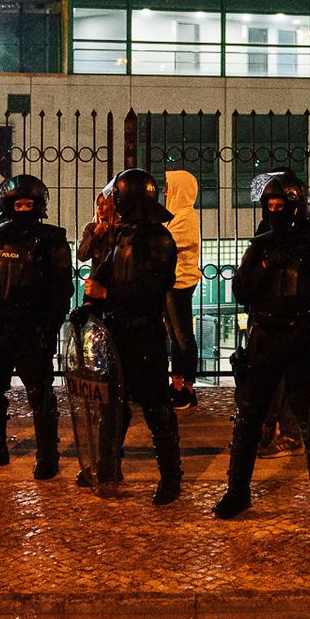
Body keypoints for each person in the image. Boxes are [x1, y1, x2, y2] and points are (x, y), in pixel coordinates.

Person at [213, 171, 310, 525]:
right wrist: (269, 264)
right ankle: (237, 492)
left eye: (279, 204)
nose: (273, 210)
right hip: (263, 339)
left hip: (298, 342)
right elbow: (241, 291)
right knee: (248, 421)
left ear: (295, 205)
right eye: (268, 205)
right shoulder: (261, 244)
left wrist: (304, 337)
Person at [80, 170, 183, 500]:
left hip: (144, 334)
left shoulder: (159, 240)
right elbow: (105, 274)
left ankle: (171, 477)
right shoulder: (122, 234)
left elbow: (151, 291)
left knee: (156, 408)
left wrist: (106, 296)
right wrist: (91, 306)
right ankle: (107, 465)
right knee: (112, 406)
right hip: (116, 331)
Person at [0, 175, 72, 479]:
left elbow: (62, 291)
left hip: (30, 328)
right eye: (18, 204)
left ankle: (48, 455)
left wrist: (49, 329)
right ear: (8, 206)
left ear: (38, 206)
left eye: (28, 204)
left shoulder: (52, 240)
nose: (23, 209)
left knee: (40, 395)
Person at [164, 170, 203, 410]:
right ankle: (178, 384)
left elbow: (168, 241)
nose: (165, 191)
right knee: (175, 336)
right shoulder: (175, 215)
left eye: (169, 186)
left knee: (183, 336)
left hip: (181, 282)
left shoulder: (186, 216)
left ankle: (187, 387)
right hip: (172, 282)